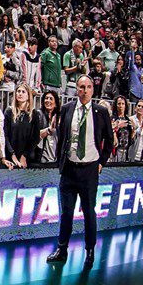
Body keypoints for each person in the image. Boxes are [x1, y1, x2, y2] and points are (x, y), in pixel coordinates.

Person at [47, 75, 113, 268]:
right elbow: (62, 136)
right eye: (81, 87)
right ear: (76, 88)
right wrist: (61, 160)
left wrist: (102, 162)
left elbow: (109, 140)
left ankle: (90, 251)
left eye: (88, 87)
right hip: (69, 170)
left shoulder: (101, 112)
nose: (85, 91)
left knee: (89, 213)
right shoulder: (67, 108)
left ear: (93, 89)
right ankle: (62, 249)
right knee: (66, 213)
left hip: (89, 171)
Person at [4, 83, 42, 168]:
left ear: (28, 95)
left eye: (23, 92)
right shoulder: (9, 111)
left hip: (27, 157)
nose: (20, 94)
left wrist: (24, 155)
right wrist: (12, 154)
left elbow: (35, 138)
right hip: (10, 156)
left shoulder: (34, 114)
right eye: (18, 91)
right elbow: (5, 135)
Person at [39, 90, 61, 164]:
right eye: (46, 98)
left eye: (51, 99)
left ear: (56, 104)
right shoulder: (38, 115)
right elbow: (34, 135)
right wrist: (48, 130)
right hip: (42, 159)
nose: (48, 100)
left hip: (55, 159)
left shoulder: (59, 118)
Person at [110, 96, 132, 163]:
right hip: (115, 150)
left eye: (123, 104)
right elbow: (109, 132)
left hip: (126, 151)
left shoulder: (128, 120)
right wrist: (117, 126)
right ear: (116, 105)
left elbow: (131, 137)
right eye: (119, 104)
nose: (121, 106)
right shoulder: (112, 118)